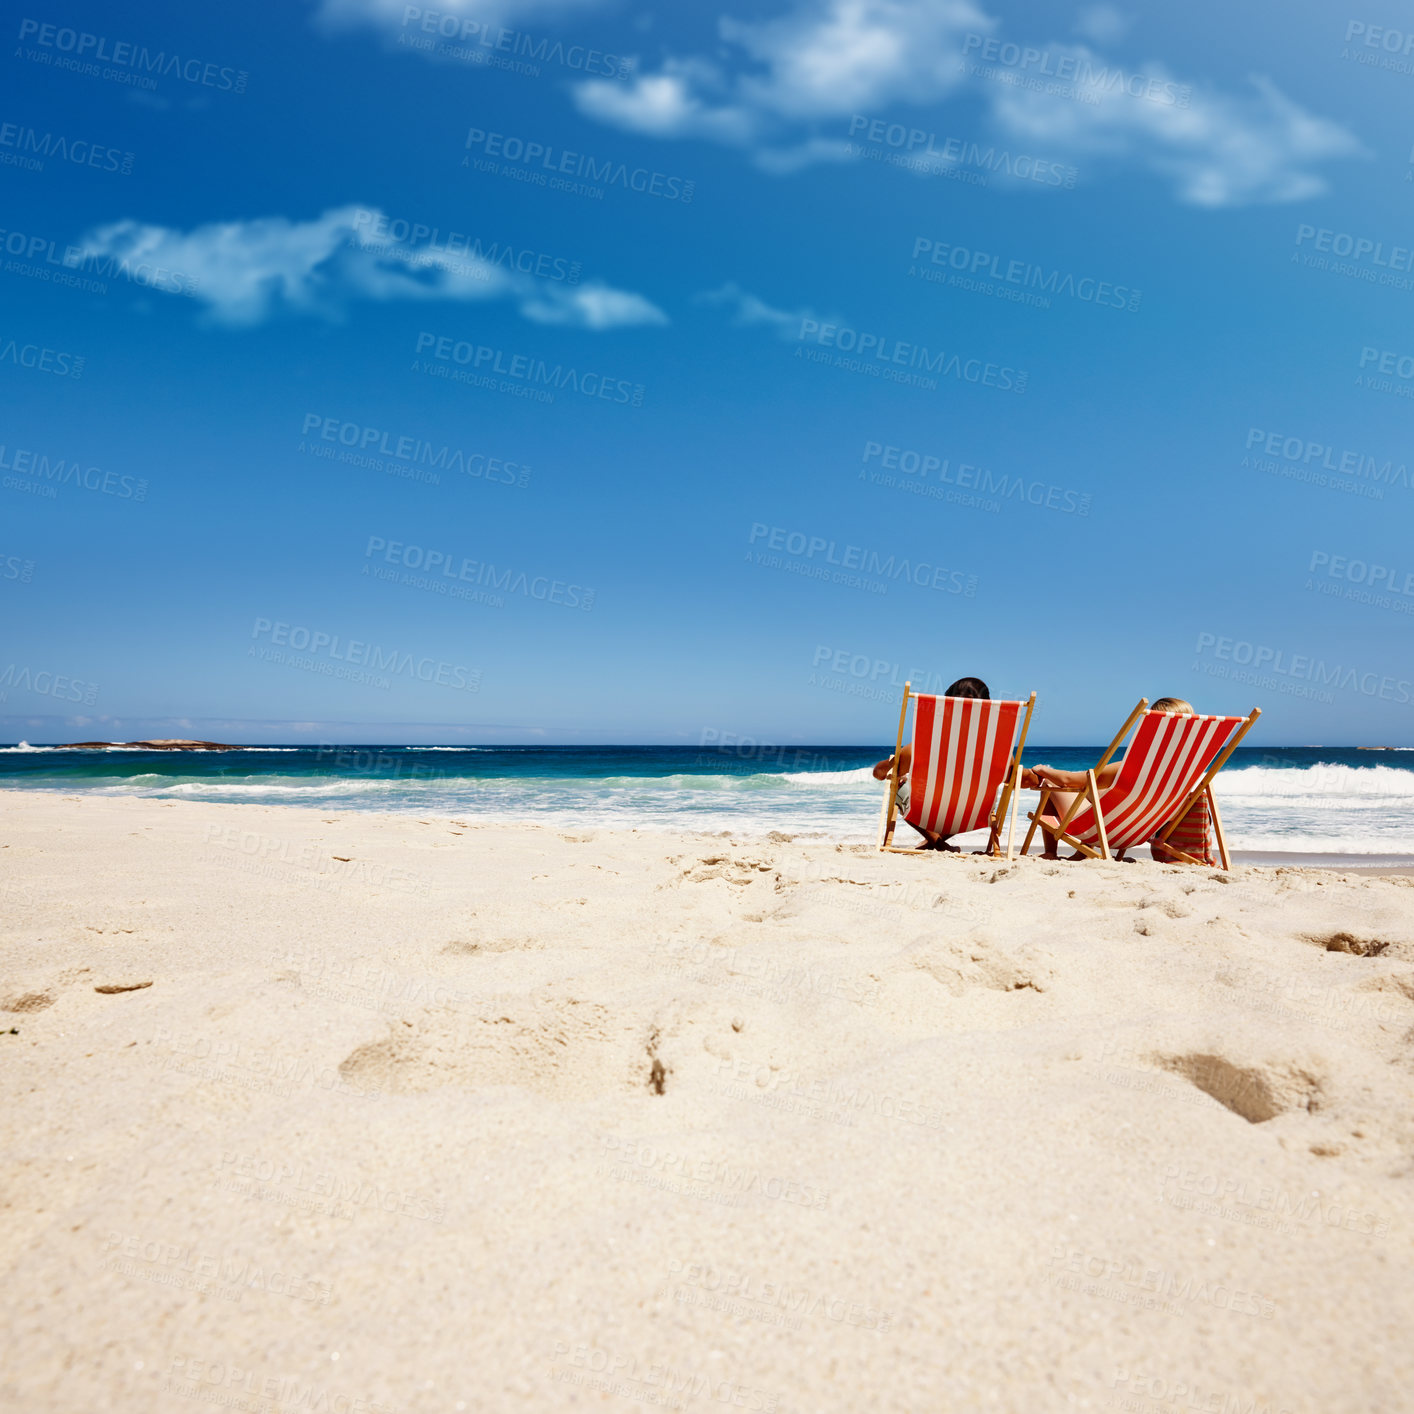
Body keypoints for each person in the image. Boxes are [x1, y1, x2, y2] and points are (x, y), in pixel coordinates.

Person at [1023, 697, 1214, 863]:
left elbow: (1067, 780)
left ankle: (1051, 852)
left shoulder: (1136, 765)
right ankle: (1082, 854)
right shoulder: (1189, 768)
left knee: (1051, 784)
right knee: (1097, 793)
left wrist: (1042, 769)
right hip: (1137, 833)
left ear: (1153, 727)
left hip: (1102, 834)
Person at [872, 677, 990, 850]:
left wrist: (892, 763)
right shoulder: (995, 745)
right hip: (975, 811)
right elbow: (1025, 781)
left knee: (899, 786)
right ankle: (935, 841)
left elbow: (879, 774)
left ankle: (937, 843)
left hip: (928, 807)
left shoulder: (924, 743)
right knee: (984, 799)